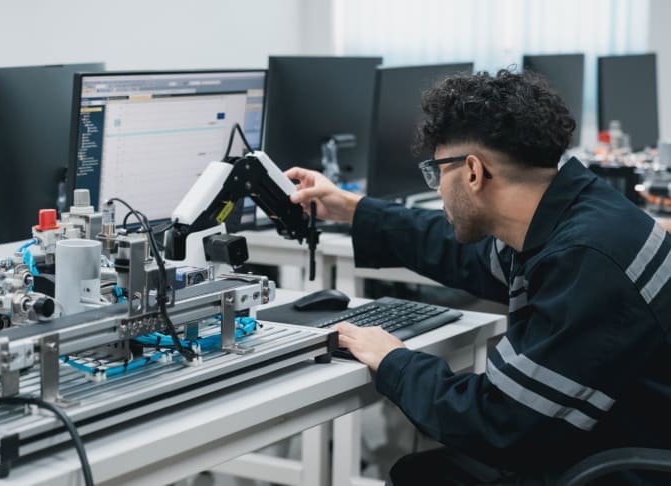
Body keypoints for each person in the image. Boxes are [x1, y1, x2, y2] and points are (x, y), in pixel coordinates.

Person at [287, 69, 671, 485]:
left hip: (618, 466)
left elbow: (498, 425)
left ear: (473, 172)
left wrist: (393, 360)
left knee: (425, 475)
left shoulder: (585, 260)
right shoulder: (578, 211)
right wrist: (349, 207)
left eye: (436, 173)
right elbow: (462, 252)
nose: (437, 190)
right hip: (611, 434)